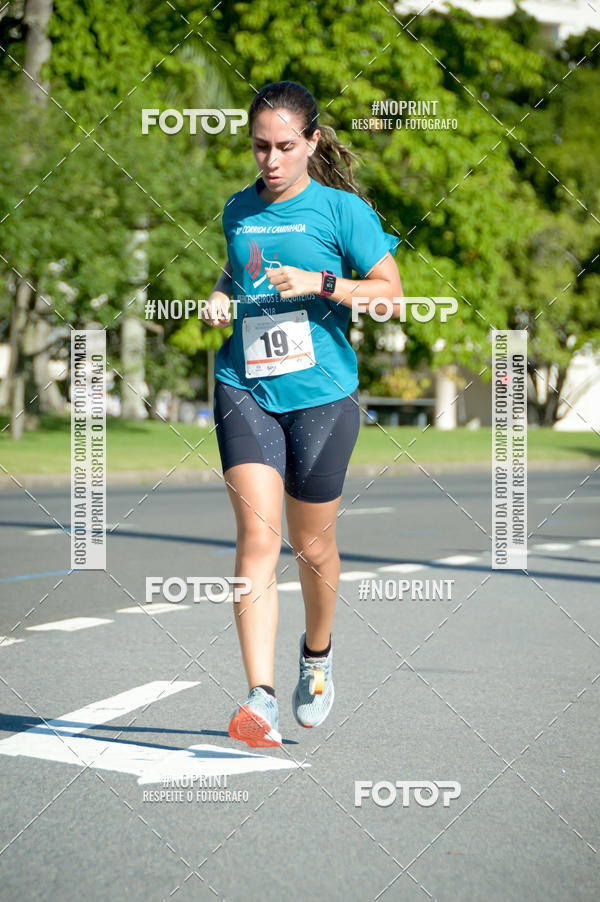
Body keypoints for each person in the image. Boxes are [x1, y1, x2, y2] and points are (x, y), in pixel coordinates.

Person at [203, 81, 403, 748]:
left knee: (311, 546)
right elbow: (238, 268)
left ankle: (316, 656)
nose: (271, 160)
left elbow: (392, 297)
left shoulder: (343, 212)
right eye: (260, 146)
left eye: (285, 146)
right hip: (244, 386)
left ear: (312, 142)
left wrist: (323, 283)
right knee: (258, 538)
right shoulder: (238, 208)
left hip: (322, 396)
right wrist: (219, 294)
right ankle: (259, 698)